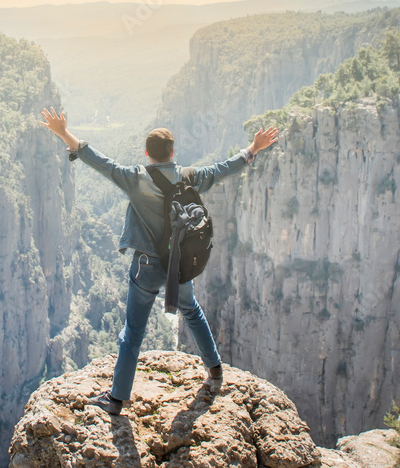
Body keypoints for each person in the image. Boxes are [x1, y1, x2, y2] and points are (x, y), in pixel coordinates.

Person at [39, 107, 280, 415]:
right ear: (173, 152)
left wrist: (62, 132)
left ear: (146, 153)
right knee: (192, 312)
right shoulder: (191, 177)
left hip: (145, 268)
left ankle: (116, 400)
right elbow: (223, 168)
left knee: (132, 333)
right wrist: (253, 149)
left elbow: (97, 160)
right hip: (180, 266)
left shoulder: (135, 179)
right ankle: (216, 370)